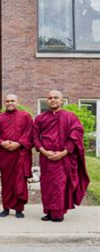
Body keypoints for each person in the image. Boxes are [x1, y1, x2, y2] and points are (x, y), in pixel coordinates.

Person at [33, 90, 90, 222]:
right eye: (50, 98)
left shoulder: (70, 117)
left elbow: (76, 135)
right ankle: (48, 211)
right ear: (47, 100)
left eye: (56, 98)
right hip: (46, 157)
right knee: (46, 185)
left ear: (62, 101)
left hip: (63, 158)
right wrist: (44, 151)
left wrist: (64, 152)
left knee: (59, 185)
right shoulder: (40, 118)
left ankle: (58, 213)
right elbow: (35, 137)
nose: (53, 100)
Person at [0, 94, 33, 218]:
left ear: (17, 102)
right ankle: (6, 208)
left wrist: (18, 143)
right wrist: (1, 142)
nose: (10, 103)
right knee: (6, 181)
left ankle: (19, 209)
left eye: (12, 101)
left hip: (20, 154)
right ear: (4, 103)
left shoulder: (25, 116)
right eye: (7, 101)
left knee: (19, 181)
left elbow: (30, 132)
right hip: (5, 155)